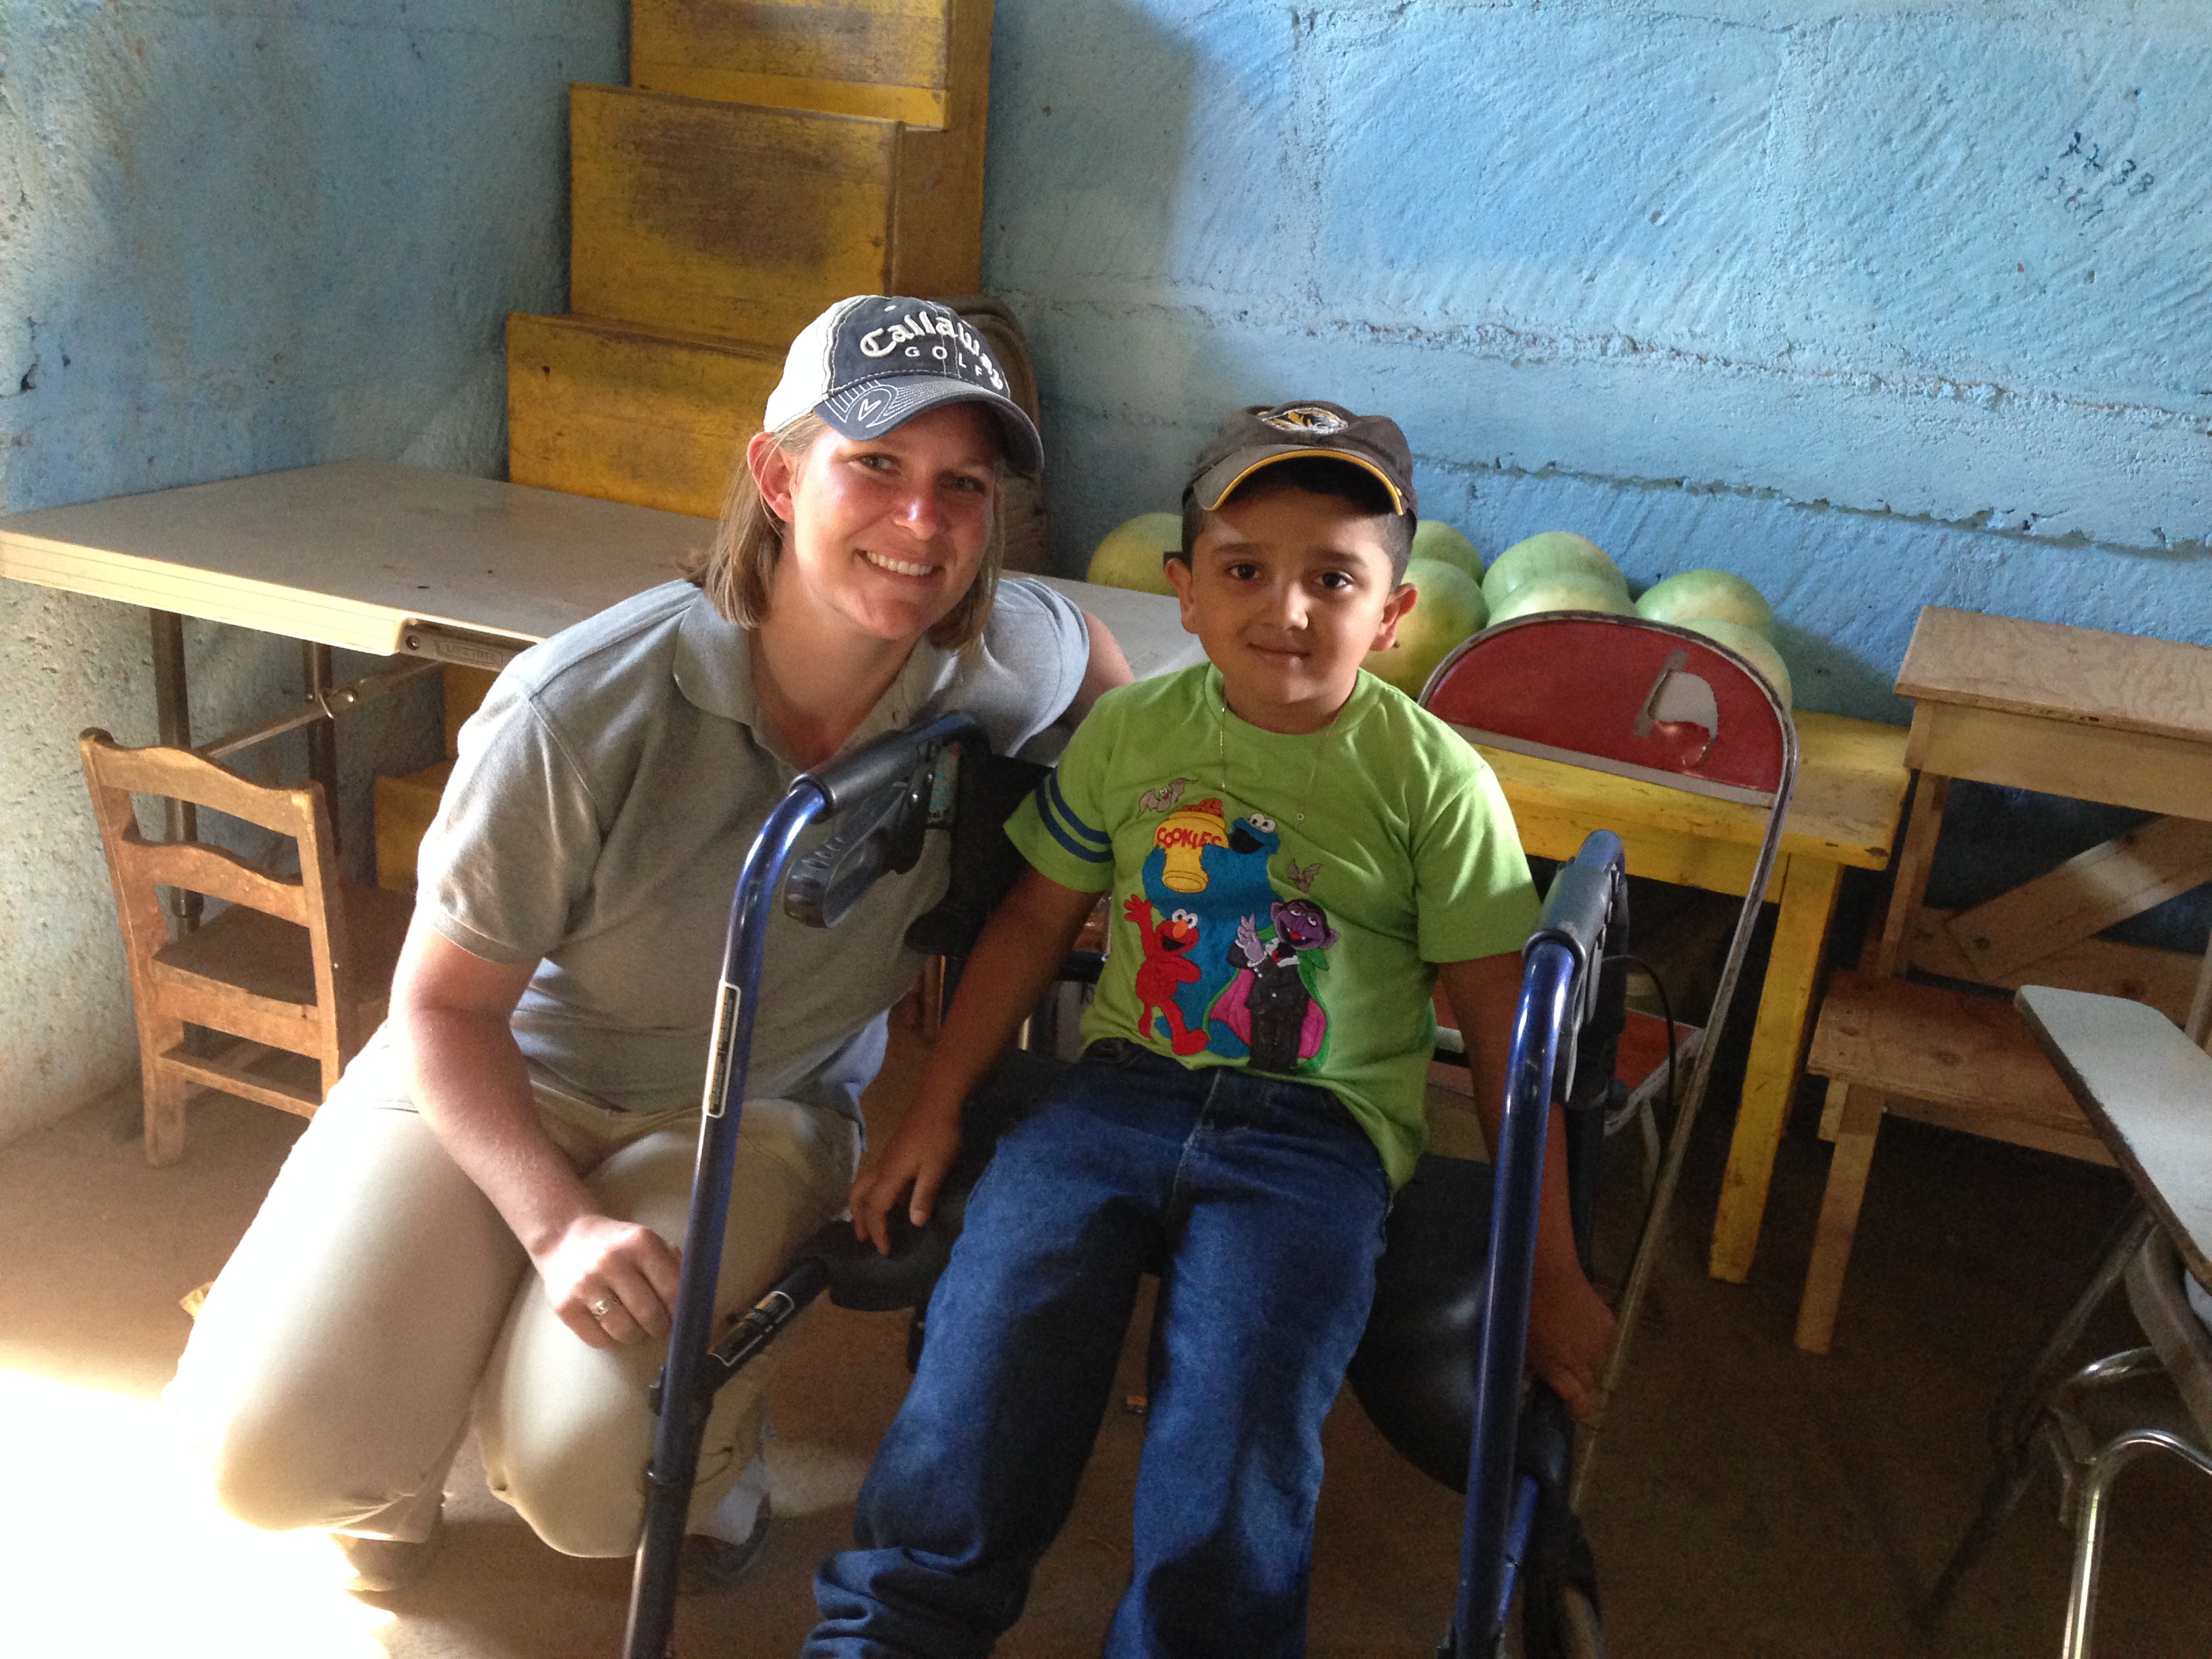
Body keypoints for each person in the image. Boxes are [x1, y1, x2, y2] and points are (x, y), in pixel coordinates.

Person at [163, 294, 1131, 1594]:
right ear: (778, 477)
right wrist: (557, 1225)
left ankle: (707, 1458)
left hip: (755, 1102)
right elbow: (443, 1012)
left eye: (965, 483)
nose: (923, 519)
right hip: (510, 1066)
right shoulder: (577, 706)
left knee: (586, 1484)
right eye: (876, 463)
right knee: (257, 1460)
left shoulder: (990, 650)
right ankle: (395, 1443)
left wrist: (1136, 792)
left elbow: (1092, 654)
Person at [803, 401, 1617, 1657]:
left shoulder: (1435, 782)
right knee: (993, 1339)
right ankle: (893, 1630)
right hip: (1117, 1095)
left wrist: (1549, 1268)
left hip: (1320, 1138)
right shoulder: (1135, 734)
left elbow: (1509, 1036)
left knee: (1243, 1406)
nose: (1285, 608)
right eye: (1244, 570)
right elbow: (1030, 924)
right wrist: (934, 1108)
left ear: (1391, 614)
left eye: (1332, 578)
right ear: (1184, 592)